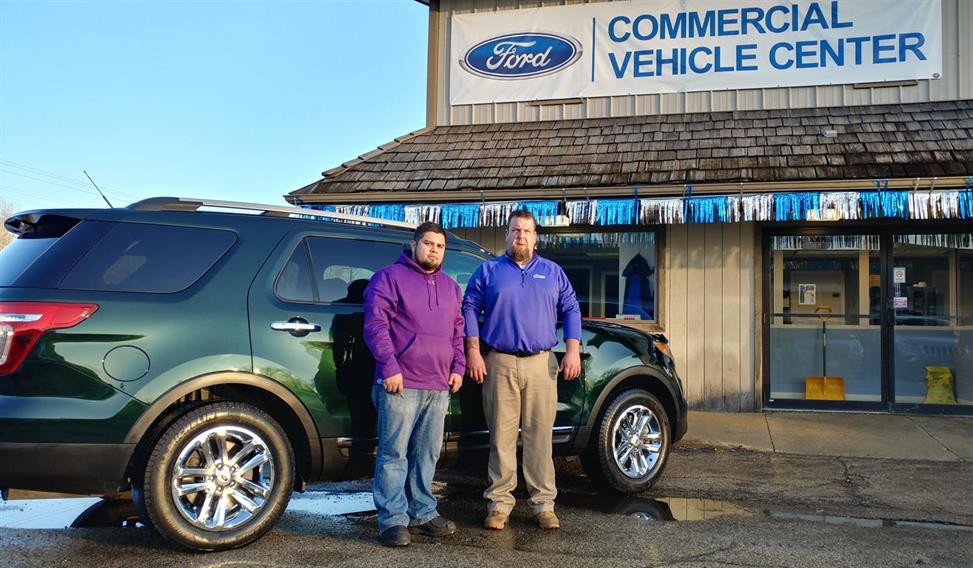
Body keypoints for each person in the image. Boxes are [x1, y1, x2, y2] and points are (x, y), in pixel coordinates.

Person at [462, 210, 582, 531]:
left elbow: (570, 307)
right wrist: (473, 350)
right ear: (507, 234)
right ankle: (499, 504)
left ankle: (544, 504)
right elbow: (469, 307)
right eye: (516, 230)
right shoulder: (488, 271)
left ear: (535, 237)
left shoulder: (552, 272)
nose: (521, 236)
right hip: (499, 361)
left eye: (527, 230)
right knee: (501, 436)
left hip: (542, 363)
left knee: (539, 437)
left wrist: (572, 349)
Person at [363, 221, 465, 547]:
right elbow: (376, 325)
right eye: (428, 244)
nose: (434, 250)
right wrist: (389, 367)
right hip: (400, 383)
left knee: (427, 454)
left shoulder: (451, 287)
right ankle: (393, 520)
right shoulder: (389, 278)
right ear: (414, 244)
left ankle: (423, 511)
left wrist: (458, 367)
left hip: (438, 385)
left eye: (439, 246)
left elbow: (457, 332)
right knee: (394, 453)